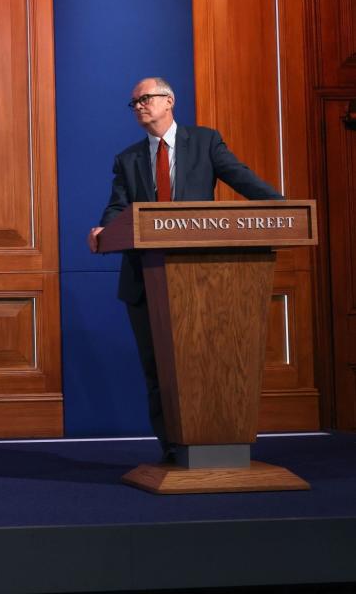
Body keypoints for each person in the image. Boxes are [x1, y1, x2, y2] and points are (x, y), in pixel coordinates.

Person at [87, 76, 281, 463]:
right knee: (158, 370)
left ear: (169, 100)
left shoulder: (206, 142)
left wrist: (281, 208)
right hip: (146, 281)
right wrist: (104, 227)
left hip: (204, 280)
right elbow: (118, 206)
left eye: (146, 99)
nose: (140, 106)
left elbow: (241, 178)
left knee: (205, 364)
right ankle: (172, 448)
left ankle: (215, 445)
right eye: (135, 103)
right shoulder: (127, 159)